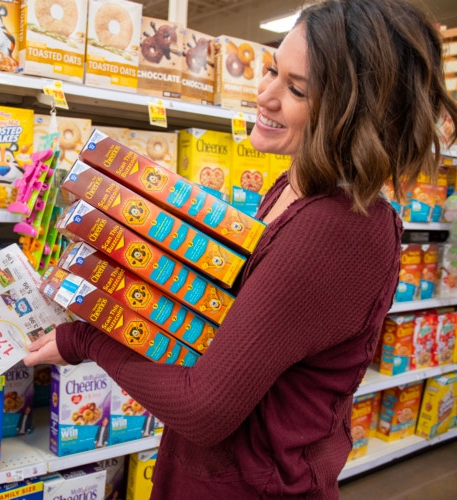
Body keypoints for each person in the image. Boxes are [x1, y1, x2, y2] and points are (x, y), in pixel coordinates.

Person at [24, 0, 457, 497]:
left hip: (253, 485)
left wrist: (86, 341)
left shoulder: (337, 228)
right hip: (213, 471)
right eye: (273, 70)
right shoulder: (294, 186)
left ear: (354, 113)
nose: (265, 95)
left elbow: (204, 408)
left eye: (296, 89)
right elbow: (231, 320)